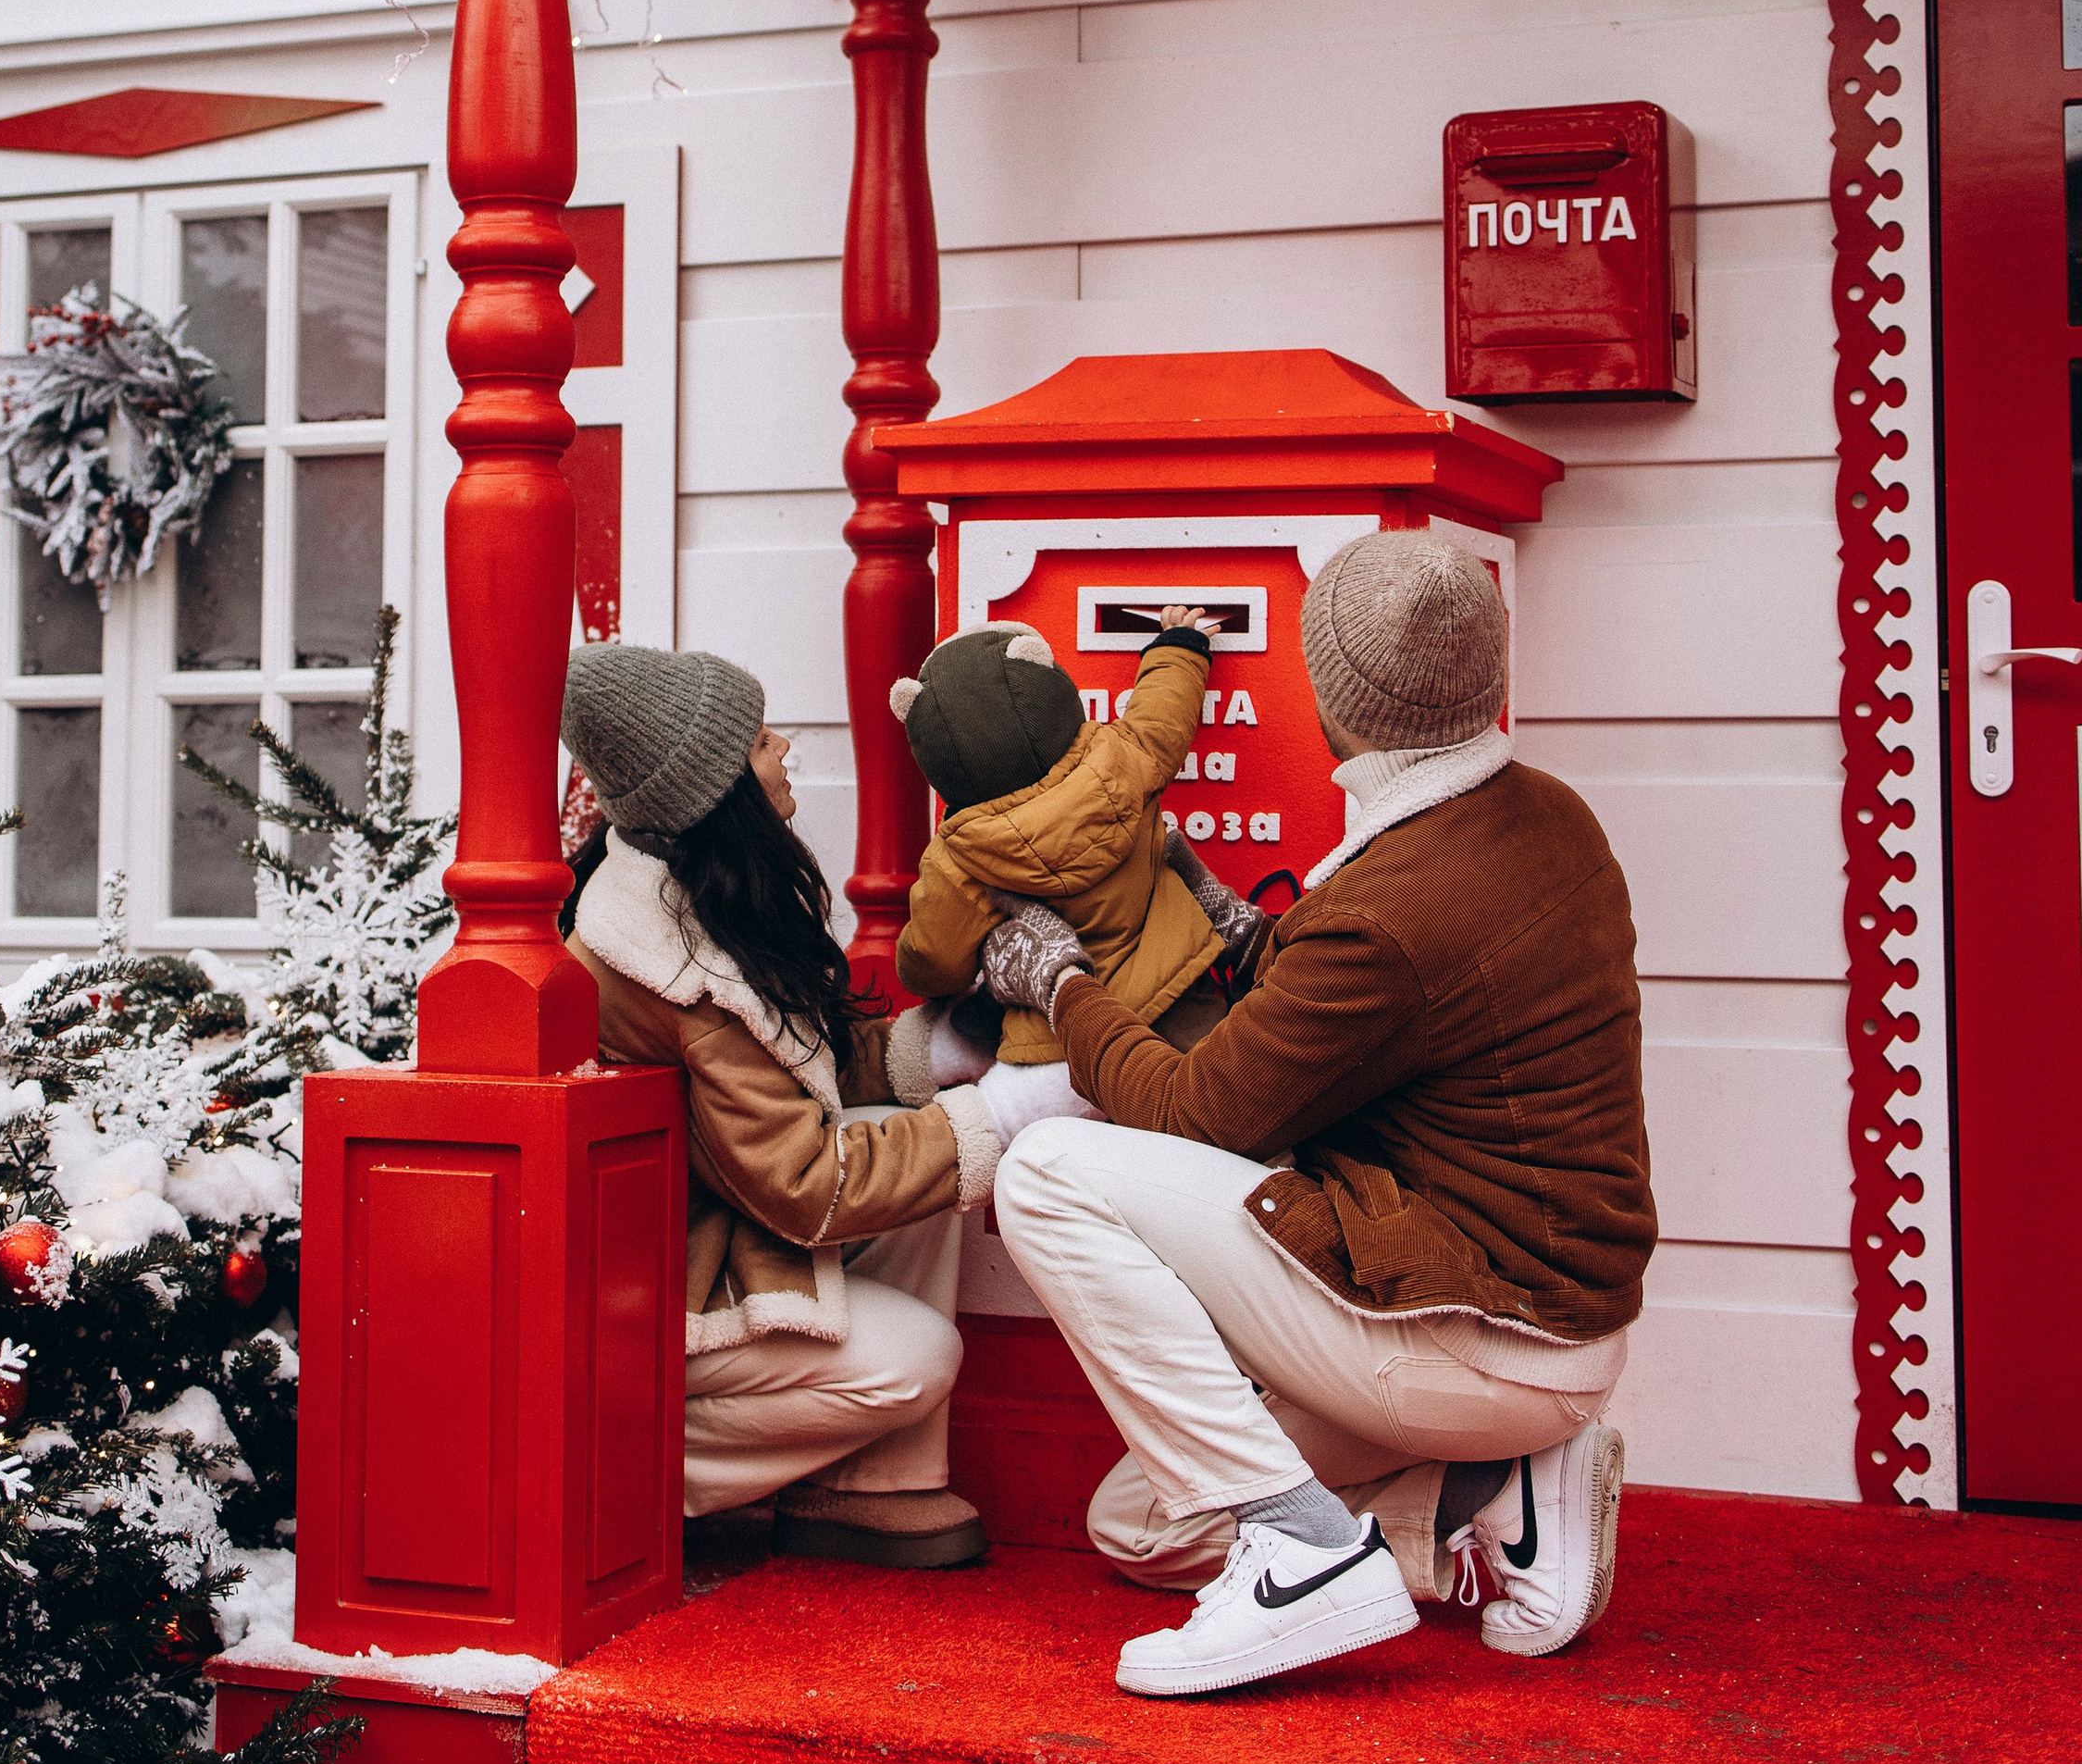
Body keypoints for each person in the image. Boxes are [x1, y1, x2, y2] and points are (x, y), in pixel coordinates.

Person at [979, 528, 1654, 1698]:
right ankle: (1489, 1493)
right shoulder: (1551, 818)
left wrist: (1060, 982)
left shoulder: (1384, 914)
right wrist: (1234, 920)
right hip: (1542, 1320)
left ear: (1327, 696)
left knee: (1046, 1169)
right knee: (1146, 1527)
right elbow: (1391, 991)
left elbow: (1198, 1114)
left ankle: (1303, 1553)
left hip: (1472, 1329)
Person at [560, 639, 999, 1571]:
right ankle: (625, 1471)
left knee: (910, 1146)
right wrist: (1005, 1116)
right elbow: (805, 1185)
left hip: (707, 1227)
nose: (785, 748)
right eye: (761, 741)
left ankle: (873, 1487)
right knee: (916, 1355)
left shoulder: (699, 896)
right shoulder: (666, 965)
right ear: (720, 791)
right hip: (652, 1294)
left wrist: (956, 1047)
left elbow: (816, 1074)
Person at [888, 607, 1230, 1148]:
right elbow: (1164, 711)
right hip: (1182, 1006)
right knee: (1219, 1126)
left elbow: (934, 962)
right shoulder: (1126, 754)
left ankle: (908, 1080)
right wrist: (1179, 646)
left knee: (1014, 1143)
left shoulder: (957, 857)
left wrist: (924, 969)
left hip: (1055, 1046)